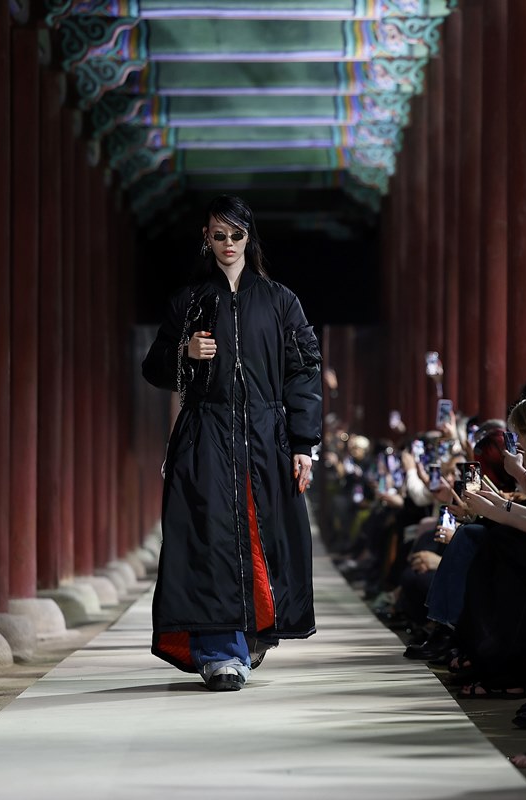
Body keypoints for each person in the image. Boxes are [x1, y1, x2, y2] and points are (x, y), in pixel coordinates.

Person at [141, 195, 323, 691]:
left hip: (267, 437)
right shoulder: (189, 300)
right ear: (206, 237)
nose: (226, 244)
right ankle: (220, 651)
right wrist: (186, 351)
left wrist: (305, 443)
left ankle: (253, 634)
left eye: (235, 235)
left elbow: (303, 370)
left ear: (249, 237)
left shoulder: (281, 300)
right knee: (207, 536)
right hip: (205, 435)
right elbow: (154, 367)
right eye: (217, 235)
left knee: (261, 533)